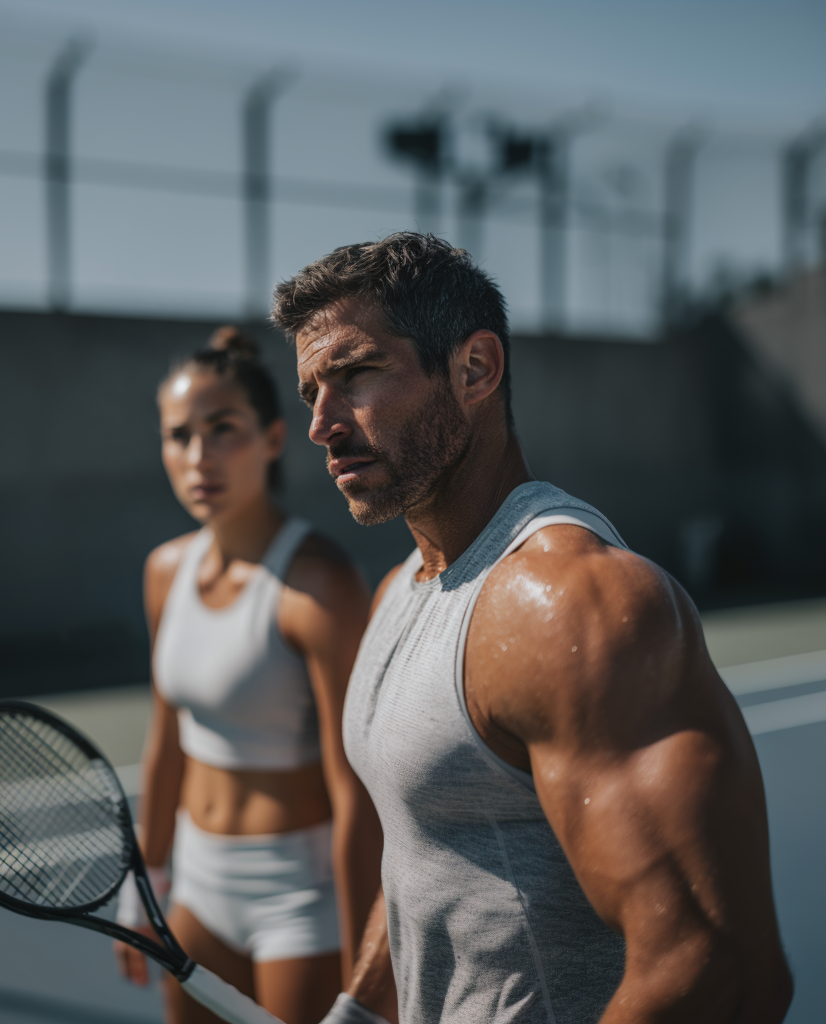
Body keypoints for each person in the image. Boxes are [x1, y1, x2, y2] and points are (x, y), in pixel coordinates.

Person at [270, 234, 793, 1024]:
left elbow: (718, 972)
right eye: (311, 390)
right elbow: (424, 857)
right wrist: (361, 1014)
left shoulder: (570, 604)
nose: (321, 423)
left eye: (357, 374)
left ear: (475, 369)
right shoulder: (398, 592)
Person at [112, 328, 381, 1024]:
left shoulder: (319, 582)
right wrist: (146, 881)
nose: (198, 457)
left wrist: (367, 978)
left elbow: (356, 791)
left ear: (272, 439)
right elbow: (167, 739)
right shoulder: (164, 571)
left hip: (299, 900)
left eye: (223, 429)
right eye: (179, 436)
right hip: (197, 887)